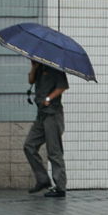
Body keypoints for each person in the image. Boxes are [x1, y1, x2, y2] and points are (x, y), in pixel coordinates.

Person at [24, 59, 69, 198]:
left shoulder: (56, 67)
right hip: (41, 115)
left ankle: (60, 187)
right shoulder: (39, 67)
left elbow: (63, 87)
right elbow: (31, 81)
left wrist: (49, 99)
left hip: (53, 114)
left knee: (54, 151)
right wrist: (34, 68)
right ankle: (43, 180)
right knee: (29, 146)